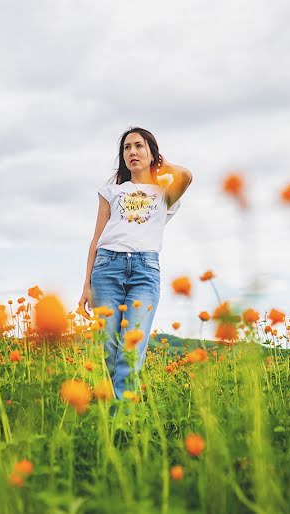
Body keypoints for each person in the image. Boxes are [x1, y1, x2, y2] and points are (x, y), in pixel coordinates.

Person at [78, 127, 193, 401]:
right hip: (107, 267)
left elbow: (187, 175)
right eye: (127, 148)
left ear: (151, 152)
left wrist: (159, 164)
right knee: (108, 350)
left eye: (139, 146)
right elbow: (96, 239)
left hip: (145, 272)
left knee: (131, 350)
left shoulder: (163, 191)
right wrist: (86, 285)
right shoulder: (112, 191)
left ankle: (122, 426)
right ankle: (105, 420)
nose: (132, 152)